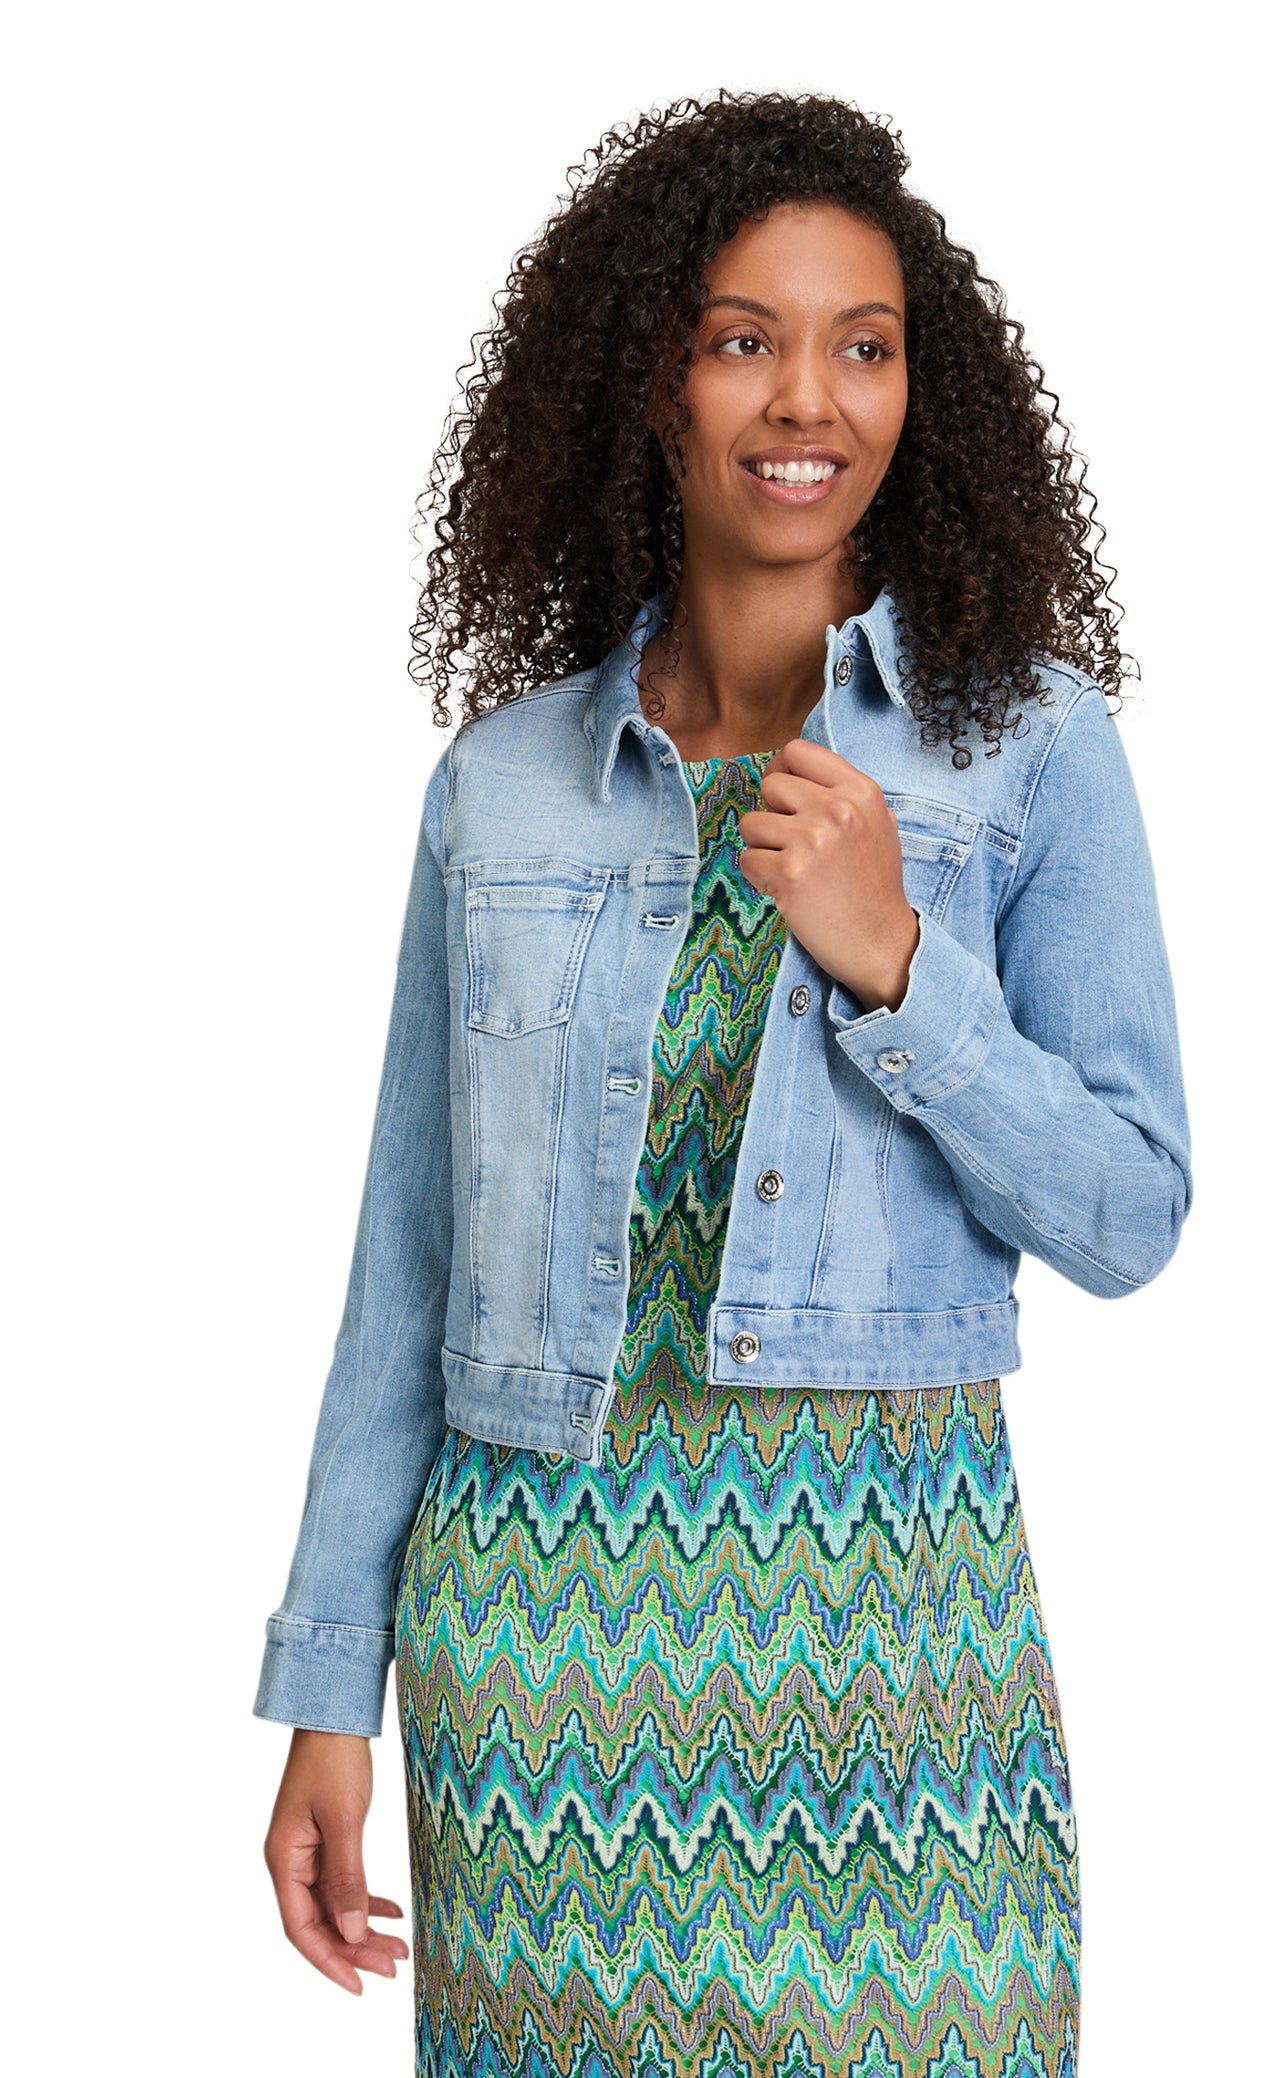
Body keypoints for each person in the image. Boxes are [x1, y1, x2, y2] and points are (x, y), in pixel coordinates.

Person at [256, 89, 1191, 2078]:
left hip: (895, 1654)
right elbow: (404, 1268)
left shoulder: (1027, 747)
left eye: (866, 344)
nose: (809, 398)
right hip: (538, 1664)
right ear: (648, 382)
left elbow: (1128, 1210)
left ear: (922, 388)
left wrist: (900, 964)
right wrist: (331, 1679)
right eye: (743, 337)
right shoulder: (501, 784)